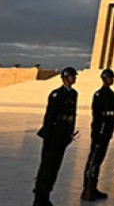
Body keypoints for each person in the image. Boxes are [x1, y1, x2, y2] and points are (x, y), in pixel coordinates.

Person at [33, 66, 78, 206]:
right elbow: (50, 115)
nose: (74, 78)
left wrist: (70, 134)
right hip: (53, 134)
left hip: (63, 135)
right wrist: (47, 134)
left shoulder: (74, 94)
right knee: (47, 166)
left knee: (55, 167)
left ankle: (46, 196)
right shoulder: (56, 94)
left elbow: (72, 116)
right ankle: (39, 199)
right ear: (65, 78)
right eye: (72, 76)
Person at [81, 68, 114, 201]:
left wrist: (109, 131)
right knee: (93, 161)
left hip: (106, 132)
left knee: (99, 161)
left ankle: (93, 188)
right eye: (109, 78)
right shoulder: (99, 94)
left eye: (112, 78)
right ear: (104, 79)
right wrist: (98, 132)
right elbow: (97, 116)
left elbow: (111, 116)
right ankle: (87, 190)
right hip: (99, 133)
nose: (112, 80)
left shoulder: (111, 94)